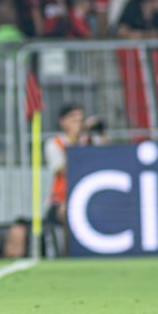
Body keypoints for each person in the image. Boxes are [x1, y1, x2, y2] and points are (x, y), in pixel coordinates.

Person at [44, 104, 92, 258]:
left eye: (80, 120)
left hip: (90, 195)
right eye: (73, 119)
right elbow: (62, 169)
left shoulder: (90, 141)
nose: (78, 124)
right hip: (61, 200)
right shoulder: (55, 144)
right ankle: (68, 254)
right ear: (63, 122)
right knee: (68, 211)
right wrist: (75, 143)